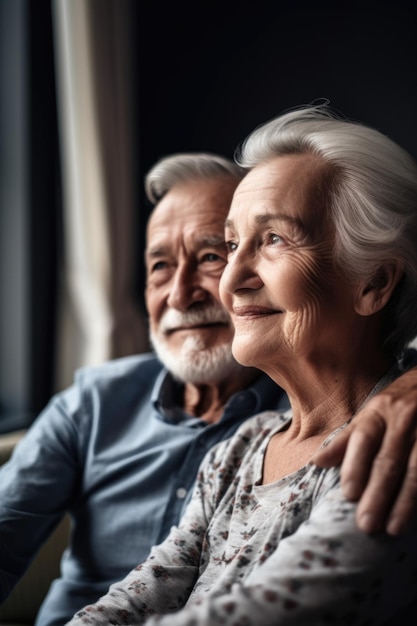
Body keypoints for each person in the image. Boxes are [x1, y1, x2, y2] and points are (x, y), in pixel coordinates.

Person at [0, 152, 416, 625]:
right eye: (159, 266)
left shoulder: (385, 426)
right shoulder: (108, 405)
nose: (183, 294)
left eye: (211, 256)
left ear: (373, 281)